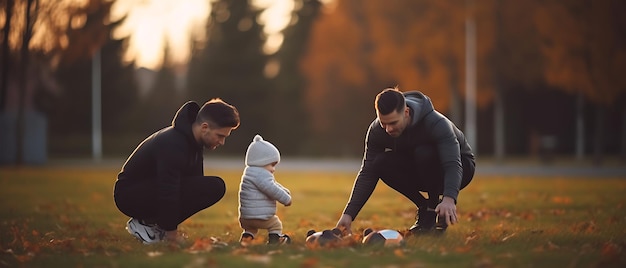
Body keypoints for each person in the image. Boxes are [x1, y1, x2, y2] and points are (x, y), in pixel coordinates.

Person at [335, 87, 475, 235]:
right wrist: (348, 214)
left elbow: (452, 163)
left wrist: (449, 198)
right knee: (379, 162)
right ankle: (424, 206)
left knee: (424, 152)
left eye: (393, 123)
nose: (388, 129)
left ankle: (433, 209)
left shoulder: (436, 123)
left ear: (406, 113)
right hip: (420, 167)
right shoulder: (377, 131)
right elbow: (367, 172)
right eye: (384, 123)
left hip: (461, 167)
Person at [114, 99, 240, 245]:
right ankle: (145, 224)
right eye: (220, 136)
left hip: (150, 188)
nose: (222, 142)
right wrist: (172, 236)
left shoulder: (194, 143)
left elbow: (192, 188)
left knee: (213, 187)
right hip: (129, 195)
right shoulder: (173, 143)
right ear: (205, 127)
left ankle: (154, 225)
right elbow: (168, 189)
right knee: (213, 186)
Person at [238, 134, 292, 244]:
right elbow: (271, 189)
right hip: (259, 216)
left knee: (251, 229)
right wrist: (286, 199)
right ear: (262, 161)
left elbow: (272, 184)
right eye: (272, 165)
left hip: (245, 217)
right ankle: (275, 241)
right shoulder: (261, 175)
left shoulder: (249, 173)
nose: (273, 169)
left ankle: (246, 240)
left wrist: (284, 190)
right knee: (275, 224)